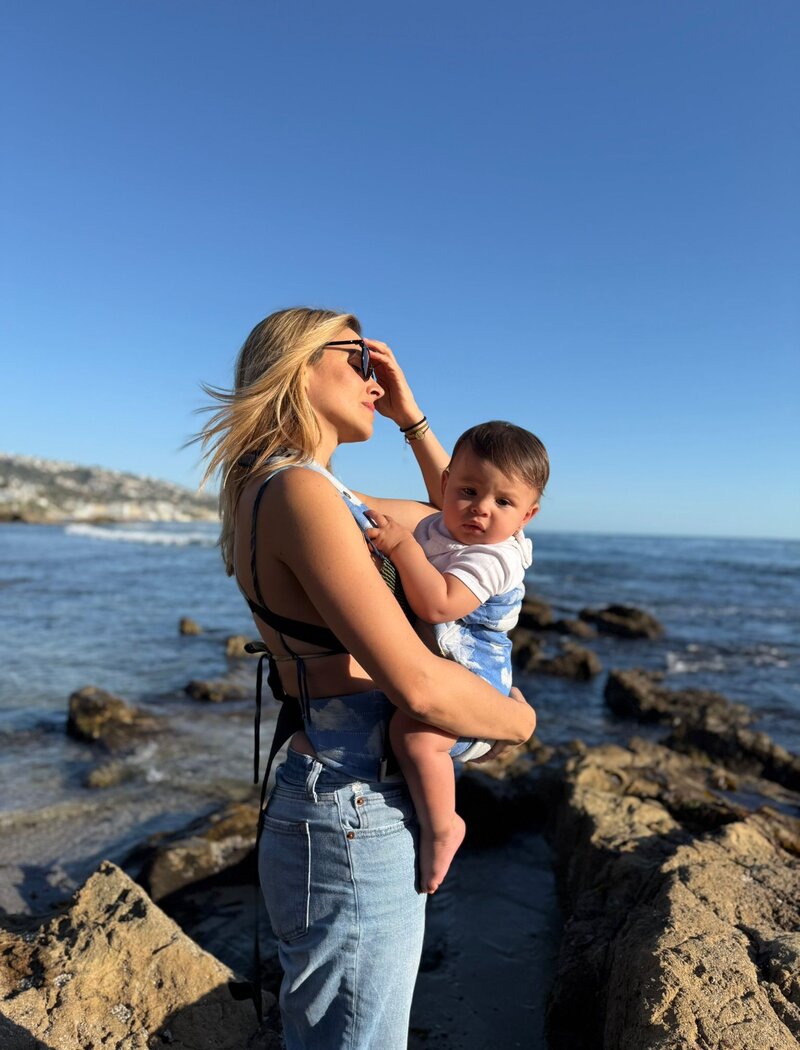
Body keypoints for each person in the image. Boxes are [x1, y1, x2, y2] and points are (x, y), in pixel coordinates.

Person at [198, 307, 536, 1050]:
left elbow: (460, 511)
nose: (372, 377)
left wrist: (413, 416)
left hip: (333, 786)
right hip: (352, 802)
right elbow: (417, 684)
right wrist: (519, 722)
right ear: (294, 365)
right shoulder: (302, 494)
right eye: (353, 356)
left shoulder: (300, 490)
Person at [364, 421, 549, 893]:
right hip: (442, 656)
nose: (481, 510)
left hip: (475, 667)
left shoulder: (495, 557)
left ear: (526, 516)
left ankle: (445, 824)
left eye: (503, 502)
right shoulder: (436, 525)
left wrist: (402, 548)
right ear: (446, 486)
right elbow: (356, 506)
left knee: (416, 736)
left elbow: (438, 604)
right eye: (468, 491)